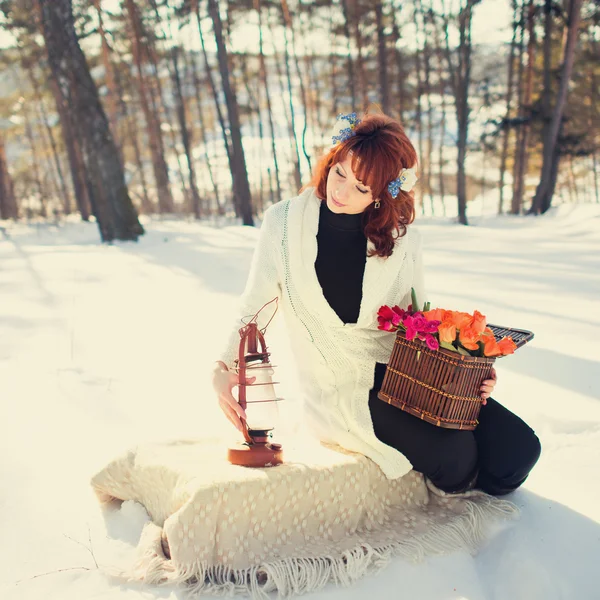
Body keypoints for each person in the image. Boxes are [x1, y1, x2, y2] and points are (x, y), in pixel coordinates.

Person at [212, 111, 541, 496]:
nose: (342, 192)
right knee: (456, 455)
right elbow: (255, 305)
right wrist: (223, 367)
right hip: (340, 391)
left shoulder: (402, 241)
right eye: (340, 173)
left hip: (406, 375)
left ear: (384, 193)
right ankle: (465, 483)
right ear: (331, 161)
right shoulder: (283, 223)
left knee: (520, 450)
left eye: (362, 188)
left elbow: (421, 322)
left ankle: (480, 482)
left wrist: (468, 373)